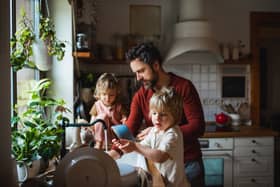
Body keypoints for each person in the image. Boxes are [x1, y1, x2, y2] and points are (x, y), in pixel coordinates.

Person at [111, 42, 205, 186]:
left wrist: (160, 131)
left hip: (188, 164)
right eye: (135, 73)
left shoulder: (184, 87)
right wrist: (113, 153)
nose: (138, 78)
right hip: (159, 167)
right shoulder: (141, 95)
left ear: (155, 65)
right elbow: (129, 129)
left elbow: (197, 126)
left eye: (141, 71)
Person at [112, 87, 190, 187]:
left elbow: (160, 156)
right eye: (154, 113)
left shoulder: (172, 134)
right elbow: (143, 147)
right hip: (161, 182)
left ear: (175, 115)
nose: (157, 118)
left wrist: (135, 146)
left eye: (163, 114)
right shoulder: (154, 130)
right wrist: (127, 147)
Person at [82, 73, 128, 149]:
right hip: (100, 141)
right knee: (102, 117)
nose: (107, 98)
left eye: (111, 95)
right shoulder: (97, 105)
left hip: (115, 139)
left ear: (117, 93)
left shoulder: (119, 106)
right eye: (104, 94)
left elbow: (125, 122)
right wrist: (85, 125)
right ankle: (99, 143)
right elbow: (92, 124)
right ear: (99, 93)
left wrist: (125, 121)